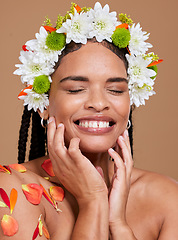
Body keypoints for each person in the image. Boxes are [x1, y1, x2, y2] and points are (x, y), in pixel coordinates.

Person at [0, 2, 177, 239]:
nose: (99, 103)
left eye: (115, 90)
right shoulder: (13, 190)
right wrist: (92, 201)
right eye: (76, 89)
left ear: (130, 102)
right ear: (43, 103)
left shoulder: (167, 197)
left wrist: (118, 224)